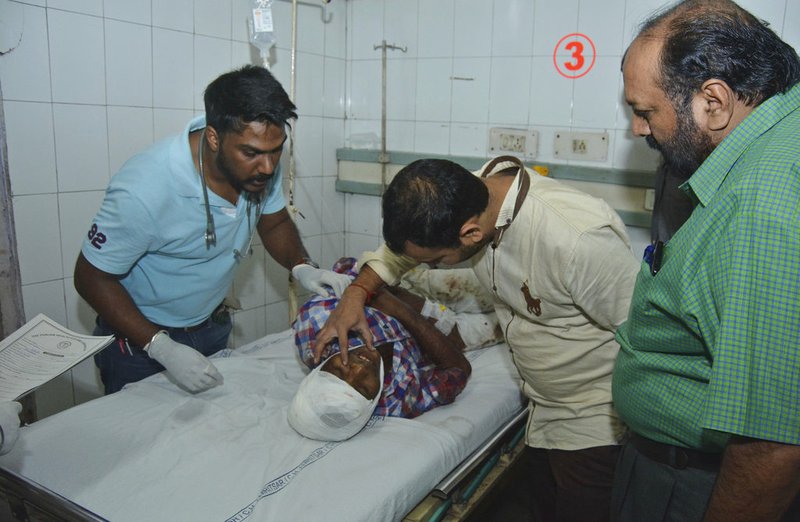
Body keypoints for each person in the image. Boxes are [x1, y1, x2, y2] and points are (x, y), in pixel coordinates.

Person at [314, 156, 640, 521]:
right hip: (541, 408)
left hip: (591, 421)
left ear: (470, 234)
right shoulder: (467, 194)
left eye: (436, 262)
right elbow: (398, 255)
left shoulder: (578, 238)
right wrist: (357, 292)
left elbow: (644, 338)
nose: (432, 269)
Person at [611, 1, 800, 520]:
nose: (638, 130)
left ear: (713, 101)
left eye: (646, 111)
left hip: (698, 484)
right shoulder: (781, 137)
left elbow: (773, 441)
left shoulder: (762, 202)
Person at [74, 65, 350, 395]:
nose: (268, 167)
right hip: (139, 344)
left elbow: (273, 221)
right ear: (214, 137)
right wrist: (159, 346)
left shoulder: (259, 171)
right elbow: (90, 277)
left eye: (277, 150)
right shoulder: (145, 189)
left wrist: (302, 266)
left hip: (211, 326)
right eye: (252, 153)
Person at [288, 257, 503, 440]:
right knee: (516, 313)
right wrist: (399, 310)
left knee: (500, 281)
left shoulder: (315, 322)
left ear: (317, 371)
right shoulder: (396, 400)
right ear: (370, 406)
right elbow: (458, 370)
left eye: (338, 371)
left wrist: (394, 299)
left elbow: (352, 269)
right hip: (444, 334)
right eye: (362, 388)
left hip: (410, 290)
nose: (359, 369)